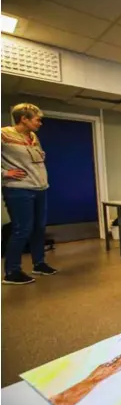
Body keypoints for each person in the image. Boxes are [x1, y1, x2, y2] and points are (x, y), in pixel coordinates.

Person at [1, 103, 57, 285]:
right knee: (22, 229)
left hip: (39, 187)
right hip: (18, 189)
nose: (40, 123)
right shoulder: (4, 134)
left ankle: (39, 263)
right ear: (23, 119)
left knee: (39, 228)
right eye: (37, 119)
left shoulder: (33, 136)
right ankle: (12, 271)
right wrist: (4, 173)